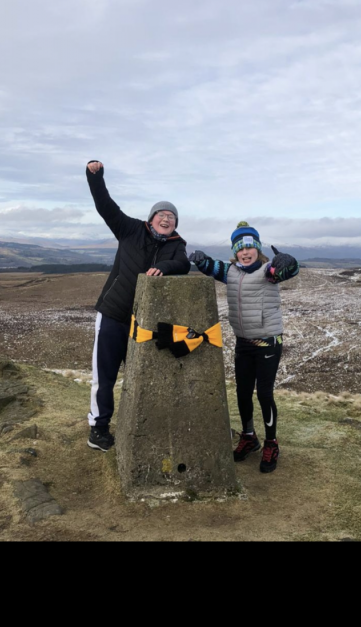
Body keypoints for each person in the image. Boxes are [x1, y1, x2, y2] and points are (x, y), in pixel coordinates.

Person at [85, 160, 191, 451]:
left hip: (143, 324)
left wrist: (165, 267)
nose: (166, 219)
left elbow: (183, 264)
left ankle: (140, 427)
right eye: (162, 214)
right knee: (104, 376)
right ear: (151, 218)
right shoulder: (130, 229)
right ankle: (98, 429)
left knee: (143, 377)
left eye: (171, 217)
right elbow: (105, 206)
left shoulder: (176, 244)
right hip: (113, 314)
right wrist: (95, 177)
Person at [189, 222, 299, 473]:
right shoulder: (230, 271)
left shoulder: (268, 271)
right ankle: (249, 437)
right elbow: (211, 267)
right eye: (240, 248)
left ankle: (271, 443)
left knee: (264, 394)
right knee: (242, 392)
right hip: (243, 343)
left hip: (268, 342)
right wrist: (201, 259)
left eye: (249, 247)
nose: (245, 252)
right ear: (235, 251)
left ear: (257, 249)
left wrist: (289, 262)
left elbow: (287, 271)